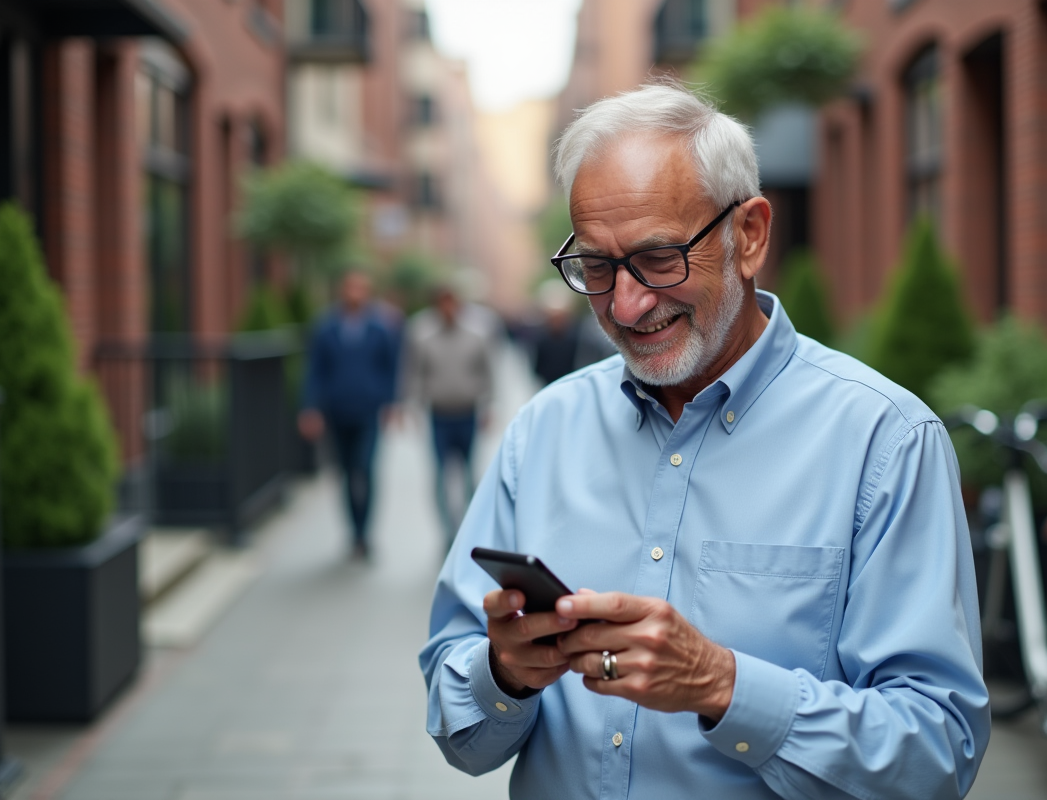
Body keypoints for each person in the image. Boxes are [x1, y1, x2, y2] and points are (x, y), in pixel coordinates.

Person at [420, 83, 990, 799]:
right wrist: (503, 674)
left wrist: (724, 686)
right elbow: (457, 728)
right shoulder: (542, 430)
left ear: (748, 235)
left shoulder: (884, 441)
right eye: (596, 268)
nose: (626, 305)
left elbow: (937, 752)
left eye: (660, 258)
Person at [299, 271, 400, 560]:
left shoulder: (380, 328)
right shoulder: (326, 327)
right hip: (337, 411)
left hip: (368, 411)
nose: (355, 293)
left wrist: (391, 404)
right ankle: (353, 532)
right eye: (350, 287)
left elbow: (390, 369)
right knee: (344, 473)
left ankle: (365, 533)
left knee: (365, 470)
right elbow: (315, 371)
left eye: (361, 288)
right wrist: (310, 408)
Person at [403, 285, 495, 550]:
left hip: (468, 412)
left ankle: (469, 529)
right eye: (443, 303)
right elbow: (414, 372)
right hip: (438, 415)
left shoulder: (477, 332)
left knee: (469, 476)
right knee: (441, 476)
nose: (448, 308)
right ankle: (447, 532)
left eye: (452, 302)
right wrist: (412, 405)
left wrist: (489, 405)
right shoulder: (421, 333)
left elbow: (488, 371)